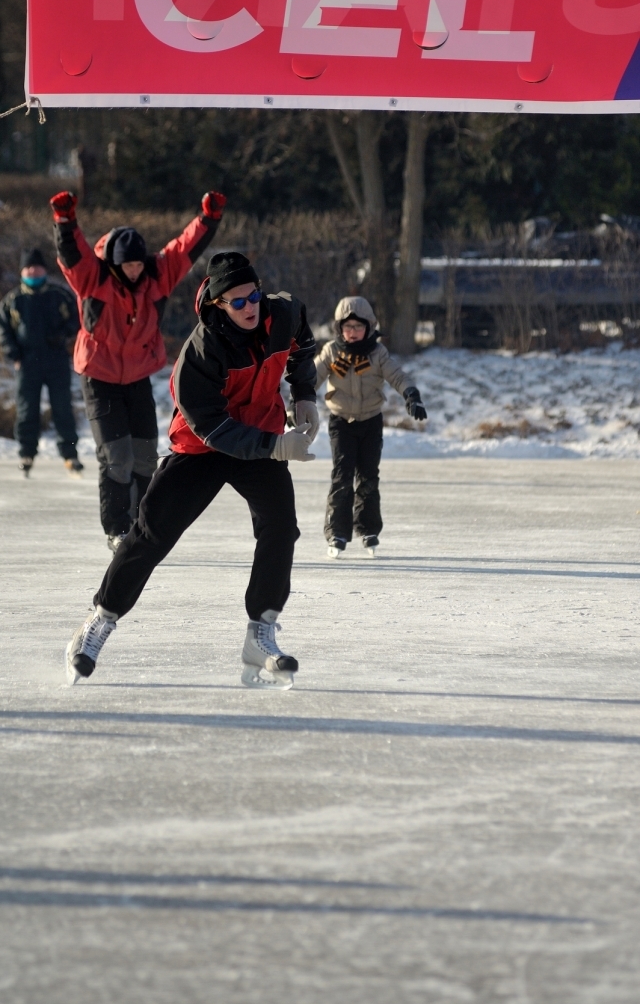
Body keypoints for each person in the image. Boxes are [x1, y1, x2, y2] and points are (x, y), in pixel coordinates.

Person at [64, 251, 319, 691]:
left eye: (253, 295)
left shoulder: (283, 313)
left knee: (281, 528)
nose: (250, 306)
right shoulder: (201, 352)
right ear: (218, 305)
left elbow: (302, 345)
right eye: (237, 301)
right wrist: (277, 445)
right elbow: (212, 425)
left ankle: (261, 633)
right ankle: (99, 620)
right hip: (204, 445)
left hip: (259, 436)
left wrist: (305, 394)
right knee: (151, 534)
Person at [50, 188, 226, 549]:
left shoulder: (156, 276)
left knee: (146, 457)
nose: (134, 270)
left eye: (137, 264)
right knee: (117, 458)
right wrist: (65, 221)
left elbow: (184, 248)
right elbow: (72, 254)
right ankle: (117, 529)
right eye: (127, 265)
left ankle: (142, 526)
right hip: (99, 378)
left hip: (137, 377)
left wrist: (209, 218)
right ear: (114, 264)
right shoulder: (93, 279)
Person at [315, 295, 427, 558]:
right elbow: (311, 378)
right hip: (341, 423)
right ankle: (336, 533)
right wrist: (295, 403)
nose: (353, 333)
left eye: (358, 327)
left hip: (370, 422)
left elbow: (397, 375)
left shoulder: (377, 353)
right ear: (339, 328)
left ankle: (368, 529)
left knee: (368, 477)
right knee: (342, 477)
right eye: (347, 327)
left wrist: (411, 394)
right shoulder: (332, 351)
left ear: (370, 327)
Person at [0, 249, 81, 477]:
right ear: (22, 272)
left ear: (45, 270)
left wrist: (64, 335)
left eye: (37, 268)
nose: (33, 272)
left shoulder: (59, 295)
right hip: (27, 362)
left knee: (63, 408)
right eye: (29, 269)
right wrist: (13, 354)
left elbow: (78, 317)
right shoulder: (13, 300)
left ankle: (70, 455)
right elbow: (2, 329)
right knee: (26, 410)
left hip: (56, 360)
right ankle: (26, 453)